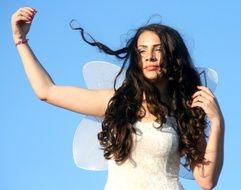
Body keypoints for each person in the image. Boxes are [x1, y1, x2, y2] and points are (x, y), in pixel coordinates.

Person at [11, 6, 224, 190]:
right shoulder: (117, 103)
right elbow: (46, 91)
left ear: (173, 56)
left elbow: (206, 181)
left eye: (158, 50)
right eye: (142, 51)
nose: (150, 56)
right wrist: (20, 41)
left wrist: (217, 122)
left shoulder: (183, 112)